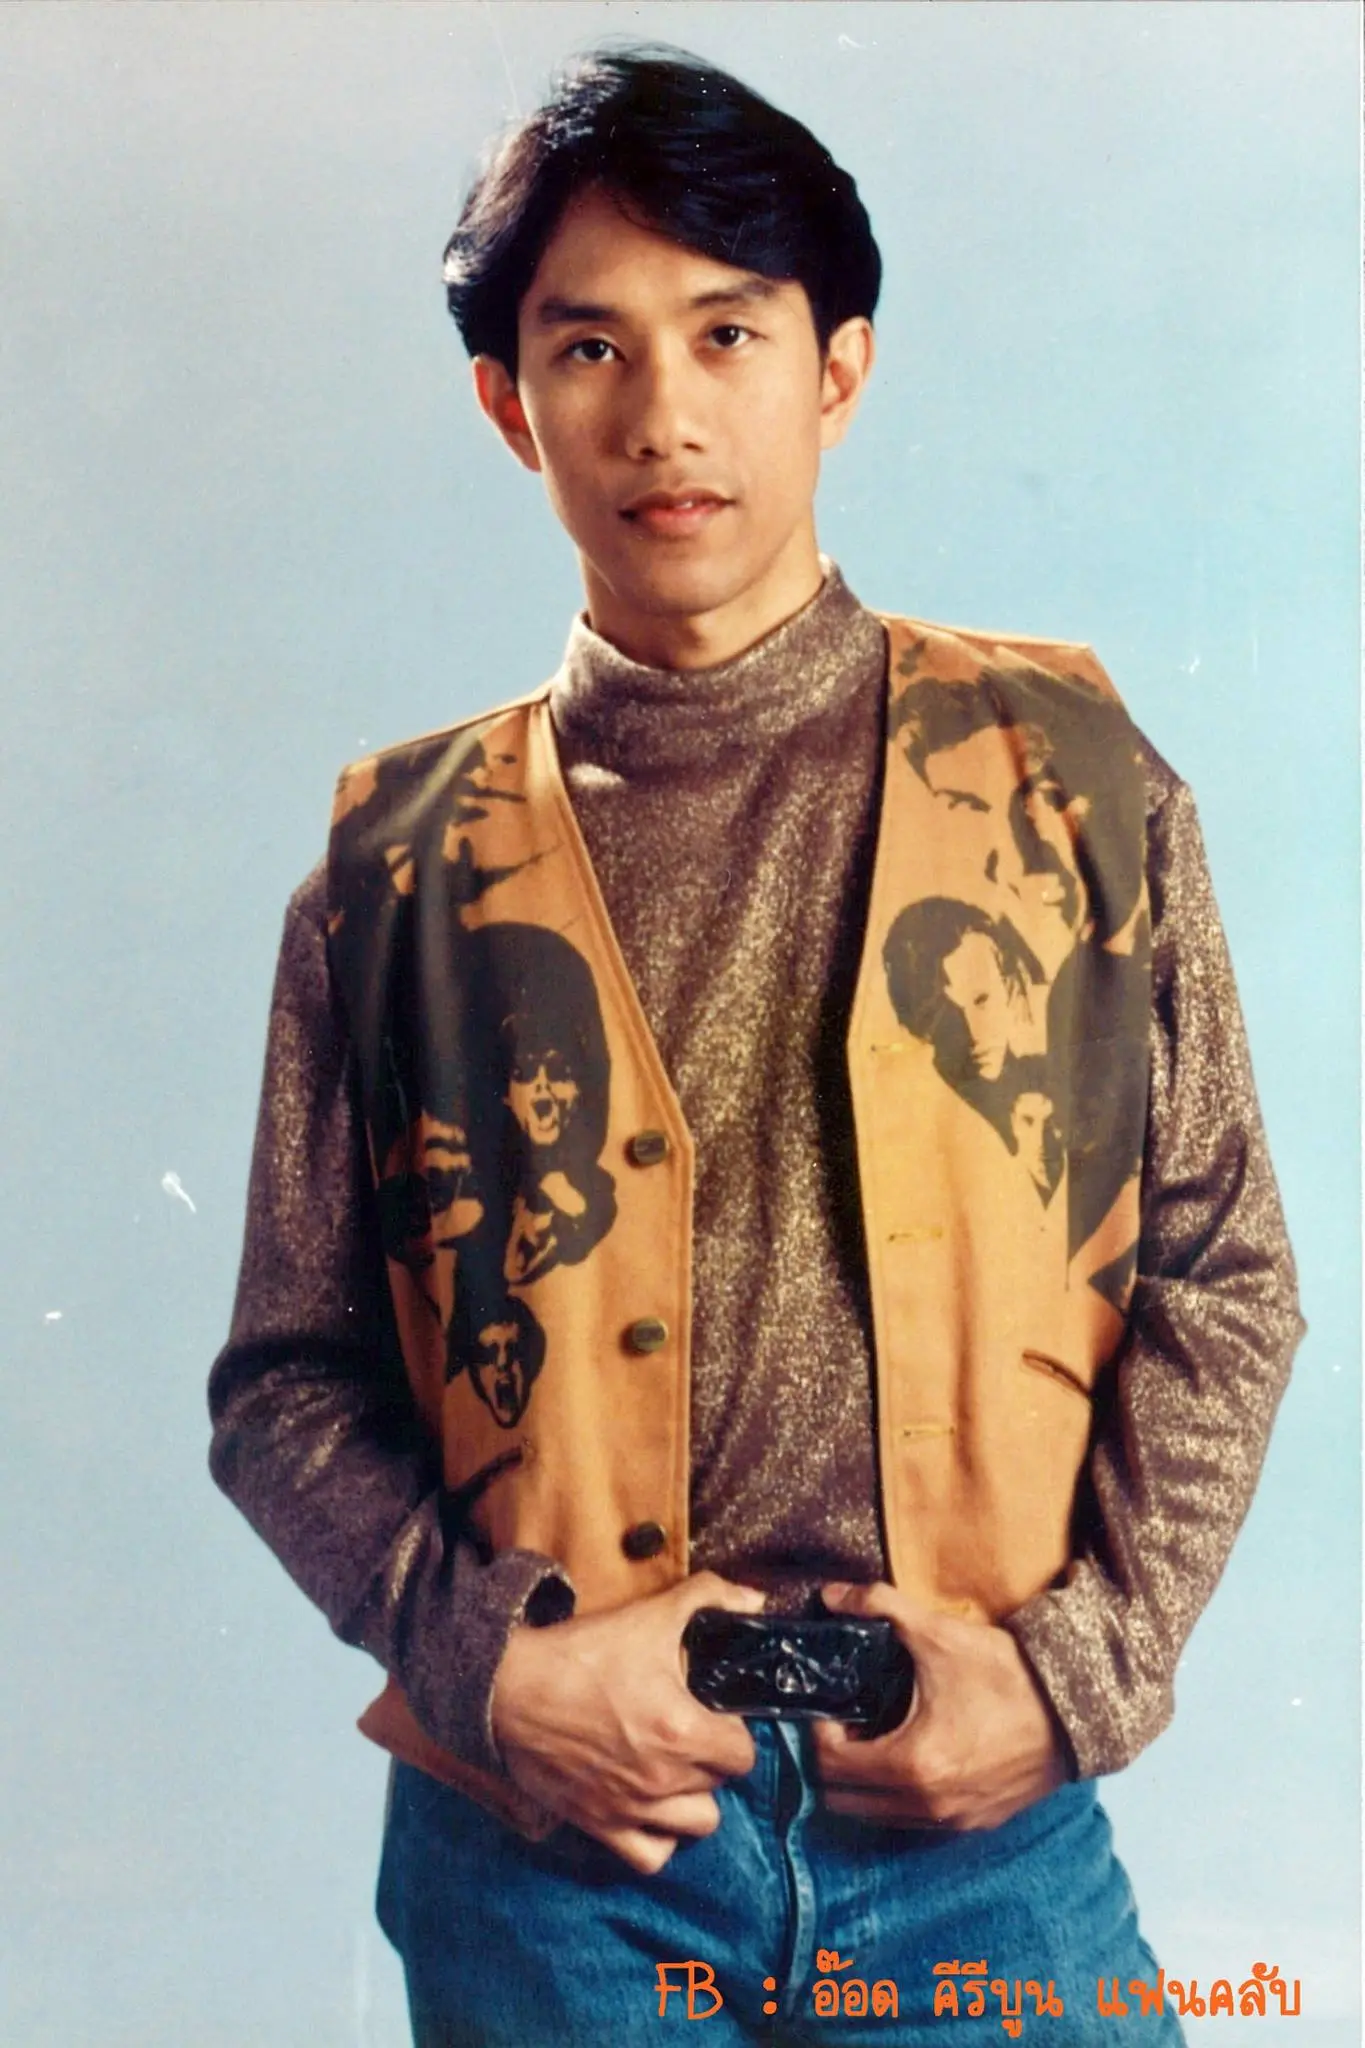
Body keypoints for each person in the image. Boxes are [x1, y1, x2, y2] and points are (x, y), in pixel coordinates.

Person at [208, 45, 1304, 2047]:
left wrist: (1081, 1675)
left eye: (728, 332)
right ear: (508, 405)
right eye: (591, 348)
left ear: (838, 368)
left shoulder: (1073, 785)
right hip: (555, 1853)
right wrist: (489, 1665)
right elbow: (284, 1380)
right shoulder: (396, 871)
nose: (666, 413)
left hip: (975, 1819)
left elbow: (1223, 1269)